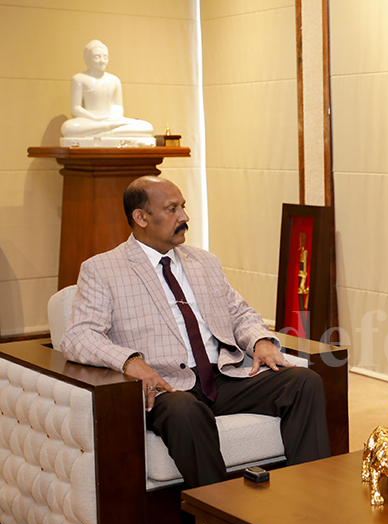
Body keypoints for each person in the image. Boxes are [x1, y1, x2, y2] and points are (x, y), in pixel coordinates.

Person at [61, 176, 330, 487]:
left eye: (184, 207)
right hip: (165, 388)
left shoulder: (204, 261)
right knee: (187, 412)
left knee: (303, 382)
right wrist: (129, 361)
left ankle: (310, 496)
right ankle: (221, 519)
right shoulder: (103, 269)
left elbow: (239, 312)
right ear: (141, 217)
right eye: (172, 209)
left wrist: (260, 340)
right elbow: (78, 335)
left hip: (220, 377)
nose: (184, 217)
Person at [60, 40, 154, 141]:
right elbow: (76, 108)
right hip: (90, 121)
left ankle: (106, 129)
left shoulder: (114, 80)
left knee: (147, 127)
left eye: (105, 57)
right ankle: (108, 129)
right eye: (97, 57)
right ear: (86, 58)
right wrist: (95, 119)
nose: (102, 61)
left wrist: (112, 118)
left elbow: (118, 106)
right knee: (69, 128)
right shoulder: (79, 79)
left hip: (112, 120)